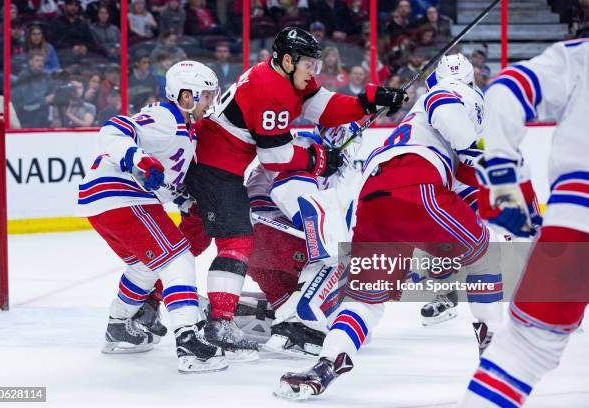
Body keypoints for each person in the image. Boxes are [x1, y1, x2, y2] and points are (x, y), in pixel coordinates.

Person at [274, 54, 509, 399]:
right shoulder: (457, 95)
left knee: (366, 300)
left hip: (374, 201)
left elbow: (464, 188)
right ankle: (495, 358)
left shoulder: (416, 122)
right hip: (416, 188)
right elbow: (449, 115)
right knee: (488, 255)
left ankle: (326, 365)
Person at [180, 26, 406, 361]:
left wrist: (368, 100)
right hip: (219, 175)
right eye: (309, 66)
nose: (314, 72)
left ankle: (154, 302)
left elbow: (326, 106)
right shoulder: (269, 90)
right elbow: (277, 161)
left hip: (232, 188)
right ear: (288, 60)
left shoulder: (288, 80)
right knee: (237, 244)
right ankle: (227, 320)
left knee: (184, 246)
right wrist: (318, 162)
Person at [459, 38, 589, 407]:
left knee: (526, 349)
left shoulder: (580, 56)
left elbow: (505, 91)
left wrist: (501, 171)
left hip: (578, 216)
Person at [76, 60, 227, 373]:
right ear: (186, 97)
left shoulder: (186, 130)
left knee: (146, 267)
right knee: (177, 258)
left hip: (102, 201)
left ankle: (119, 326)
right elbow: (112, 130)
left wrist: (182, 200)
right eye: (207, 95)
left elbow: (161, 181)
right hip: (119, 192)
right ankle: (188, 340)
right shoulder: (165, 116)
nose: (211, 102)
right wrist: (136, 157)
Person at [12, 51, 55, 128]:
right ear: (30, 62)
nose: (40, 63)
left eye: (42, 61)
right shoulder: (24, 76)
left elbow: (51, 93)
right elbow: (27, 99)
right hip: (26, 112)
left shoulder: (46, 75)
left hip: (43, 110)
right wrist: (45, 100)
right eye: (37, 60)